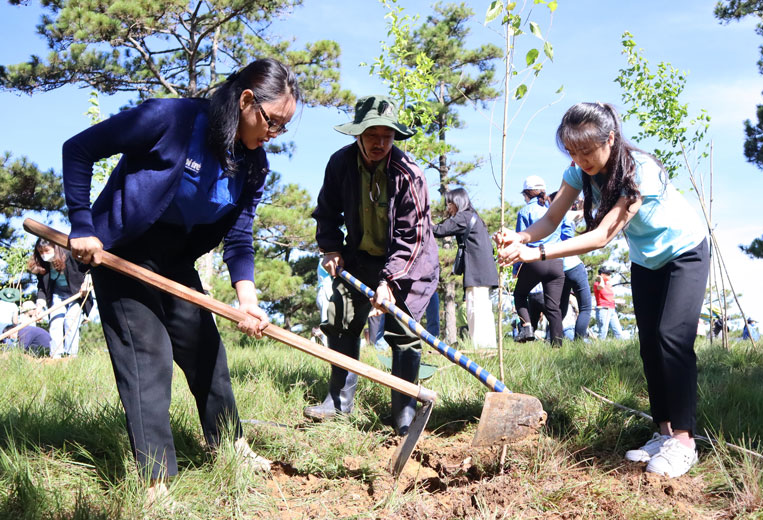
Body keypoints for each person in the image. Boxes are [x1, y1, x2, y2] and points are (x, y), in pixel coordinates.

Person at [61, 58, 300, 502]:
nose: (274, 134)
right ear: (247, 101)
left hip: (176, 259)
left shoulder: (253, 165)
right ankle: (156, 483)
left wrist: (246, 300)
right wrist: (81, 225)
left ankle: (231, 445)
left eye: (283, 127)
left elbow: (240, 237)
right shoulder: (170, 119)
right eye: (273, 122)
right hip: (122, 252)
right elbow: (78, 149)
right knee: (147, 357)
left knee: (205, 350)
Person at [495, 102, 709, 478]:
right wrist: (522, 236)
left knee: (671, 338)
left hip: (685, 252)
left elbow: (601, 236)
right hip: (647, 261)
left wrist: (536, 252)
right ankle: (663, 433)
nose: (580, 160)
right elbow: (550, 217)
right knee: (649, 343)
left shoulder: (640, 171)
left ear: (610, 138)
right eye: (572, 151)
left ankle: (685, 441)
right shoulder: (577, 171)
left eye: (586, 150)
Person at [307, 94, 439, 436]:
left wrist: (389, 283)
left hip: (409, 264)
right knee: (339, 317)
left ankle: (404, 414)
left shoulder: (409, 174)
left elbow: (413, 236)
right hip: (360, 256)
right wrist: (331, 248)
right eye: (372, 135)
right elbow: (326, 212)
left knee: (404, 333)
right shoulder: (339, 164)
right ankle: (338, 402)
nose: (380, 143)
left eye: (387, 136)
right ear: (358, 135)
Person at [432, 188, 498, 349]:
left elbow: (439, 230)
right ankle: (487, 346)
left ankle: (481, 347)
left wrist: (421, 219)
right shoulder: (474, 217)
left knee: (475, 309)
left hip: (477, 272)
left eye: (449, 203)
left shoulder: (463, 217)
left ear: (457, 202)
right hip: (484, 271)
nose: (448, 208)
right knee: (483, 309)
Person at [512, 176, 565, 346]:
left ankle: (527, 327)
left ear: (527, 193)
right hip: (556, 259)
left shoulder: (525, 211)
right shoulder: (555, 209)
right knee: (553, 307)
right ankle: (558, 346)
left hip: (535, 259)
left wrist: (516, 268)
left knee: (519, 294)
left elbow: (520, 241)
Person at [28, 238, 93, 358]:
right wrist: (39, 305)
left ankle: (71, 356)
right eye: (41, 252)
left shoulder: (70, 255)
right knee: (55, 321)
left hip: (76, 293)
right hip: (57, 294)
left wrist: (87, 282)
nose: (44, 255)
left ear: (55, 248)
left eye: (47, 250)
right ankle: (55, 355)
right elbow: (42, 287)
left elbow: (89, 268)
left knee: (70, 320)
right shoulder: (43, 265)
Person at [549, 191, 592, 340]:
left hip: (558, 267)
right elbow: (585, 211)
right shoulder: (567, 215)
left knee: (559, 310)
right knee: (585, 307)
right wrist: (580, 201)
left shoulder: (550, 219)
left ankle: (552, 341)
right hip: (574, 266)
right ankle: (579, 342)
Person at [593, 266, 624, 340]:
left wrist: (616, 301)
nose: (610, 275)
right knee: (603, 332)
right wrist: (600, 278)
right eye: (607, 273)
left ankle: (623, 351)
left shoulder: (608, 285)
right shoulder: (597, 283)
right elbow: (601, 287)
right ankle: (598, 350)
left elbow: (608, 298)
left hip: (612, 309)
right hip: (603, 309)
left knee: (619, 332)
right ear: (602, 274)